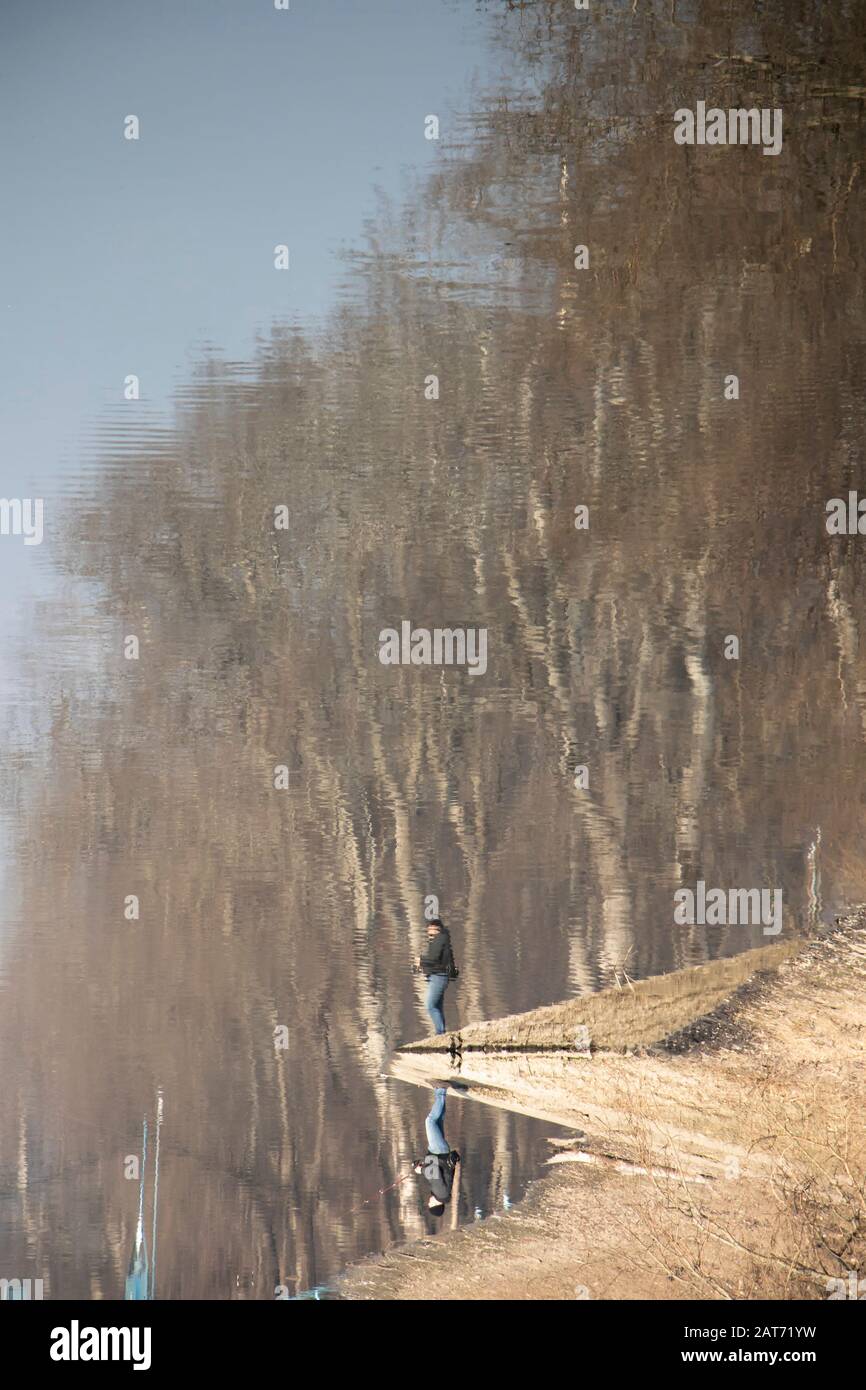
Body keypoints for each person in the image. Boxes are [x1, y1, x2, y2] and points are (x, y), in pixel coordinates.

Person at [413, 1087, 460, 1217]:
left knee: (438, 1120)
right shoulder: (440, 1193)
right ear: (435, 1205)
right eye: (429, 1205)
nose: (428, 1203)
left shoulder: (443, 1194)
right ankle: (441, 1090)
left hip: (440, 1152)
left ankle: (439, 1091)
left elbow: (436, 1170)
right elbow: (434, 1172)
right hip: (438, 1151)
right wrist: (420, 1170)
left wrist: (421, 1165)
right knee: (430, 1121)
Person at [415, 917, 457, 1035]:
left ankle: (440, 1033)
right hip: (439, 976)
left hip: (439, 976)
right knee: (437, 1006)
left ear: (438, 929)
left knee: (430, 1005)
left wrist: (420, 961)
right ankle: (441, 1033)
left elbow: (433, 959)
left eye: (432, 930)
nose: (429, 933)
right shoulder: (441, 939)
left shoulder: (440, 939)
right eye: (428, 931)